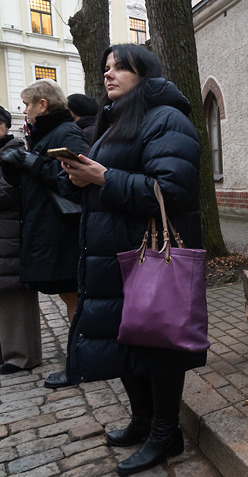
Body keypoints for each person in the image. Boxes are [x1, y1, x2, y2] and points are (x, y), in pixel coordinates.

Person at [57, 44, 205, 476]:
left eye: (121, 67)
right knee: (127, 337)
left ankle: (166, 433)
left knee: (158, 341)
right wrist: (78, 174)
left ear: (145, 73)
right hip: (116, 253)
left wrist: (102, 176)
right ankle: (143, 420)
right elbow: (109, 182)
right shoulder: (115, 118)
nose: (109, 74)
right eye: (106, 68)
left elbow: (170, 189)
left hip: (149, 253)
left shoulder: (167, 118)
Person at [0, 80, 89, 382]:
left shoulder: (66, 132)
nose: (23, 111)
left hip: (64, 232)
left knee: (75, 299)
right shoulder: (47, 134)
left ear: (42, 104)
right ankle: (81, 359)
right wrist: (19, 169)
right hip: (52, 232)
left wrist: (32, 162)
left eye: (26, 104)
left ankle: (82, 363)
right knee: (71, 298)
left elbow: (77, 181)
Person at [0, 106, 42, 375]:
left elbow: (12, 191)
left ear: (4, 126)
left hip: (11, 234)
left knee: (15, 298)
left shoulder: (14, 152)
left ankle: (20, 355)